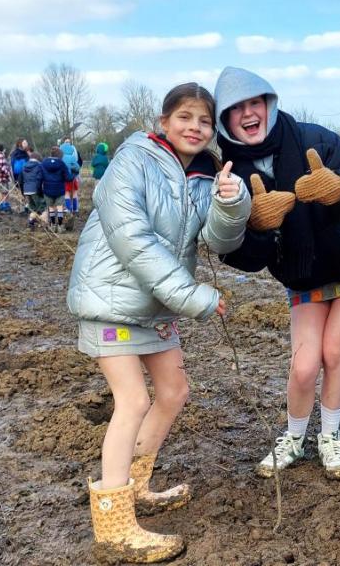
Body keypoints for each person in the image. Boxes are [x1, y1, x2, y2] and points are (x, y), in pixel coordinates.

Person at [67, 82, 251, 563]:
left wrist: (231, 201)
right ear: (163, 121)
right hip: (110, 300)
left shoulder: (206, 176)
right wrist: (194, 297)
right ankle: (113, 524)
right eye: (185, 117)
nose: (195, 127)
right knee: (132, 401)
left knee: (173, 392)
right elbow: (134, 241)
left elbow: (219, 241)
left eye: (205, 121)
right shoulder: (131, 162)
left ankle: (138, 484)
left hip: (155, 306)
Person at [213, 66, 340, 480]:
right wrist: (255, 227)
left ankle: (330, 437)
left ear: (269, 104)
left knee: (334, 352)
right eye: (237, 109)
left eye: (256, 103)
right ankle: (293, 438)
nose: (249, 114)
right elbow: (238, 252)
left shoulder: (313, 139)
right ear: (224, 120)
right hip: (302, 275)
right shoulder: (228, 173)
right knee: (305, 366)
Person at [39, 147, 73, 233]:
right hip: (59, 190)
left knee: (51, 208)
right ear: (60, 155)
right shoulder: (62, 164)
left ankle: (53, 225)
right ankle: (60, 226)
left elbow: (40, 177)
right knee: (60, 207)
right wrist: (74, 174)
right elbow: (68, 178)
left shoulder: (43, 163)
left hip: (47, 189)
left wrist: (39, 187)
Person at [19, 151, 45, 229]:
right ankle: (42, 224)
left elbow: (20, 180)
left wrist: (23, 192)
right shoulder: (39, 166)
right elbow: (40, 179)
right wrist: (41, 191)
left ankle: (31, 222)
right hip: (35, 190)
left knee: (33, 208)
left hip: (27, 190)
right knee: (42, 207)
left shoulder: (24, 166)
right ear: (38, 158)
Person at [60, 137, 82, 215]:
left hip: (64, 179)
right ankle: (75, 210)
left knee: (66, 194)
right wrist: (72, 167)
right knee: (74, 193)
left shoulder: (61, 158)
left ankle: (69, 210)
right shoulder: (72, 157)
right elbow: (77, 167)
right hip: (72, 178)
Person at [0, 143, 13, 214]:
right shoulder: (0, 155)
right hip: (3, 177)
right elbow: (0, 167)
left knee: (1, 192)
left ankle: (1, 206)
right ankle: (4, 206)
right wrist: (7, 171)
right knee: (5, 192)